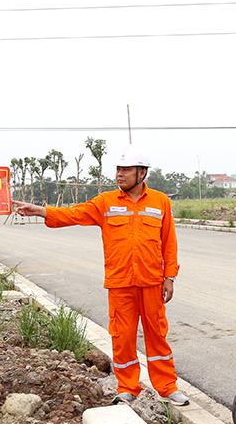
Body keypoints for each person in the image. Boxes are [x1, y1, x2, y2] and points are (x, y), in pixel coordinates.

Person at [12, 145, 189, 406]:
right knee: (122, 336)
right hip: (121, 284)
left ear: (141, 173)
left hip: (152, 283)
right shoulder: (106, 203)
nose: (120, 174)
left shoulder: (160, 202)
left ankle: (167, 387)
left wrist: (169, 277)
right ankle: (128, 387)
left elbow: (169, 243)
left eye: (126, 170)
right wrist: (41, 211)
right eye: (118, 169)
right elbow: (74, 213)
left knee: (157, 336)